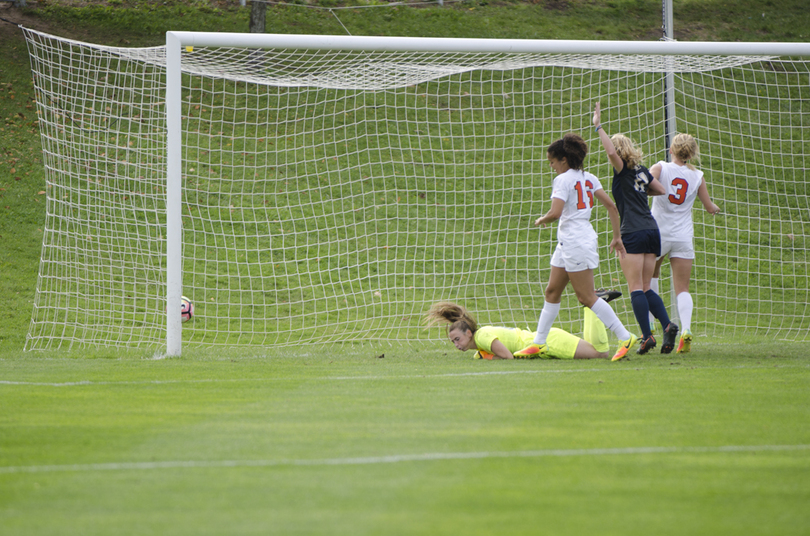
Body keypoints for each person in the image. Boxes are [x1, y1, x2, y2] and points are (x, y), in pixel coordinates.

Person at [514, 132, 638, 362]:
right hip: (571, 242)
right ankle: (538, 343)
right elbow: (612, 207)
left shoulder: (563, 180)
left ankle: (625, 336)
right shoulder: (589, 178)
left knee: (586, 297)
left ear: (563, 159)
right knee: (552, 291)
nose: (551, 166)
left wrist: (543, 219)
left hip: (575, 242)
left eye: (552, 162)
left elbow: (556, 213)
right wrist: (616, 236)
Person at [592, 102, 680, 354]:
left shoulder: (621, 170)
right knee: (646, 287)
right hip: (653, 231)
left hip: (632, 231)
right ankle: (667, 324)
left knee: (636, 289)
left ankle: (647, 336)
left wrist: (598, 126)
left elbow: (610, 153)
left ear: (620, 152)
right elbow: (661, 190)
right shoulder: (641, 171)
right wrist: (641, 190)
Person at [649, 133, 721, 353]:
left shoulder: (660, 167)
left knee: (649, 278)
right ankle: (687, 330)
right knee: (682, 288)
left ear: (671, 150)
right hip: (682, 236)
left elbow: (644, 183)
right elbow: (709, 206)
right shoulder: (697, 175)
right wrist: (715, 209)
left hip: (658, 233)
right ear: (692, 153)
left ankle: (651, 324)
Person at [424, 292, 622, 360]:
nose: (456, 344)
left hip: (549, 342)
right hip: (546, 340)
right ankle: (593, 305)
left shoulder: (483, 337)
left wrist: (488, 357)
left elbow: (508, 357)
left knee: (600, 354)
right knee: (594, 349)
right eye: (453, 342)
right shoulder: (481, 340)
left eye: (457, 339)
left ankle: (594, 302)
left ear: (469, 333)